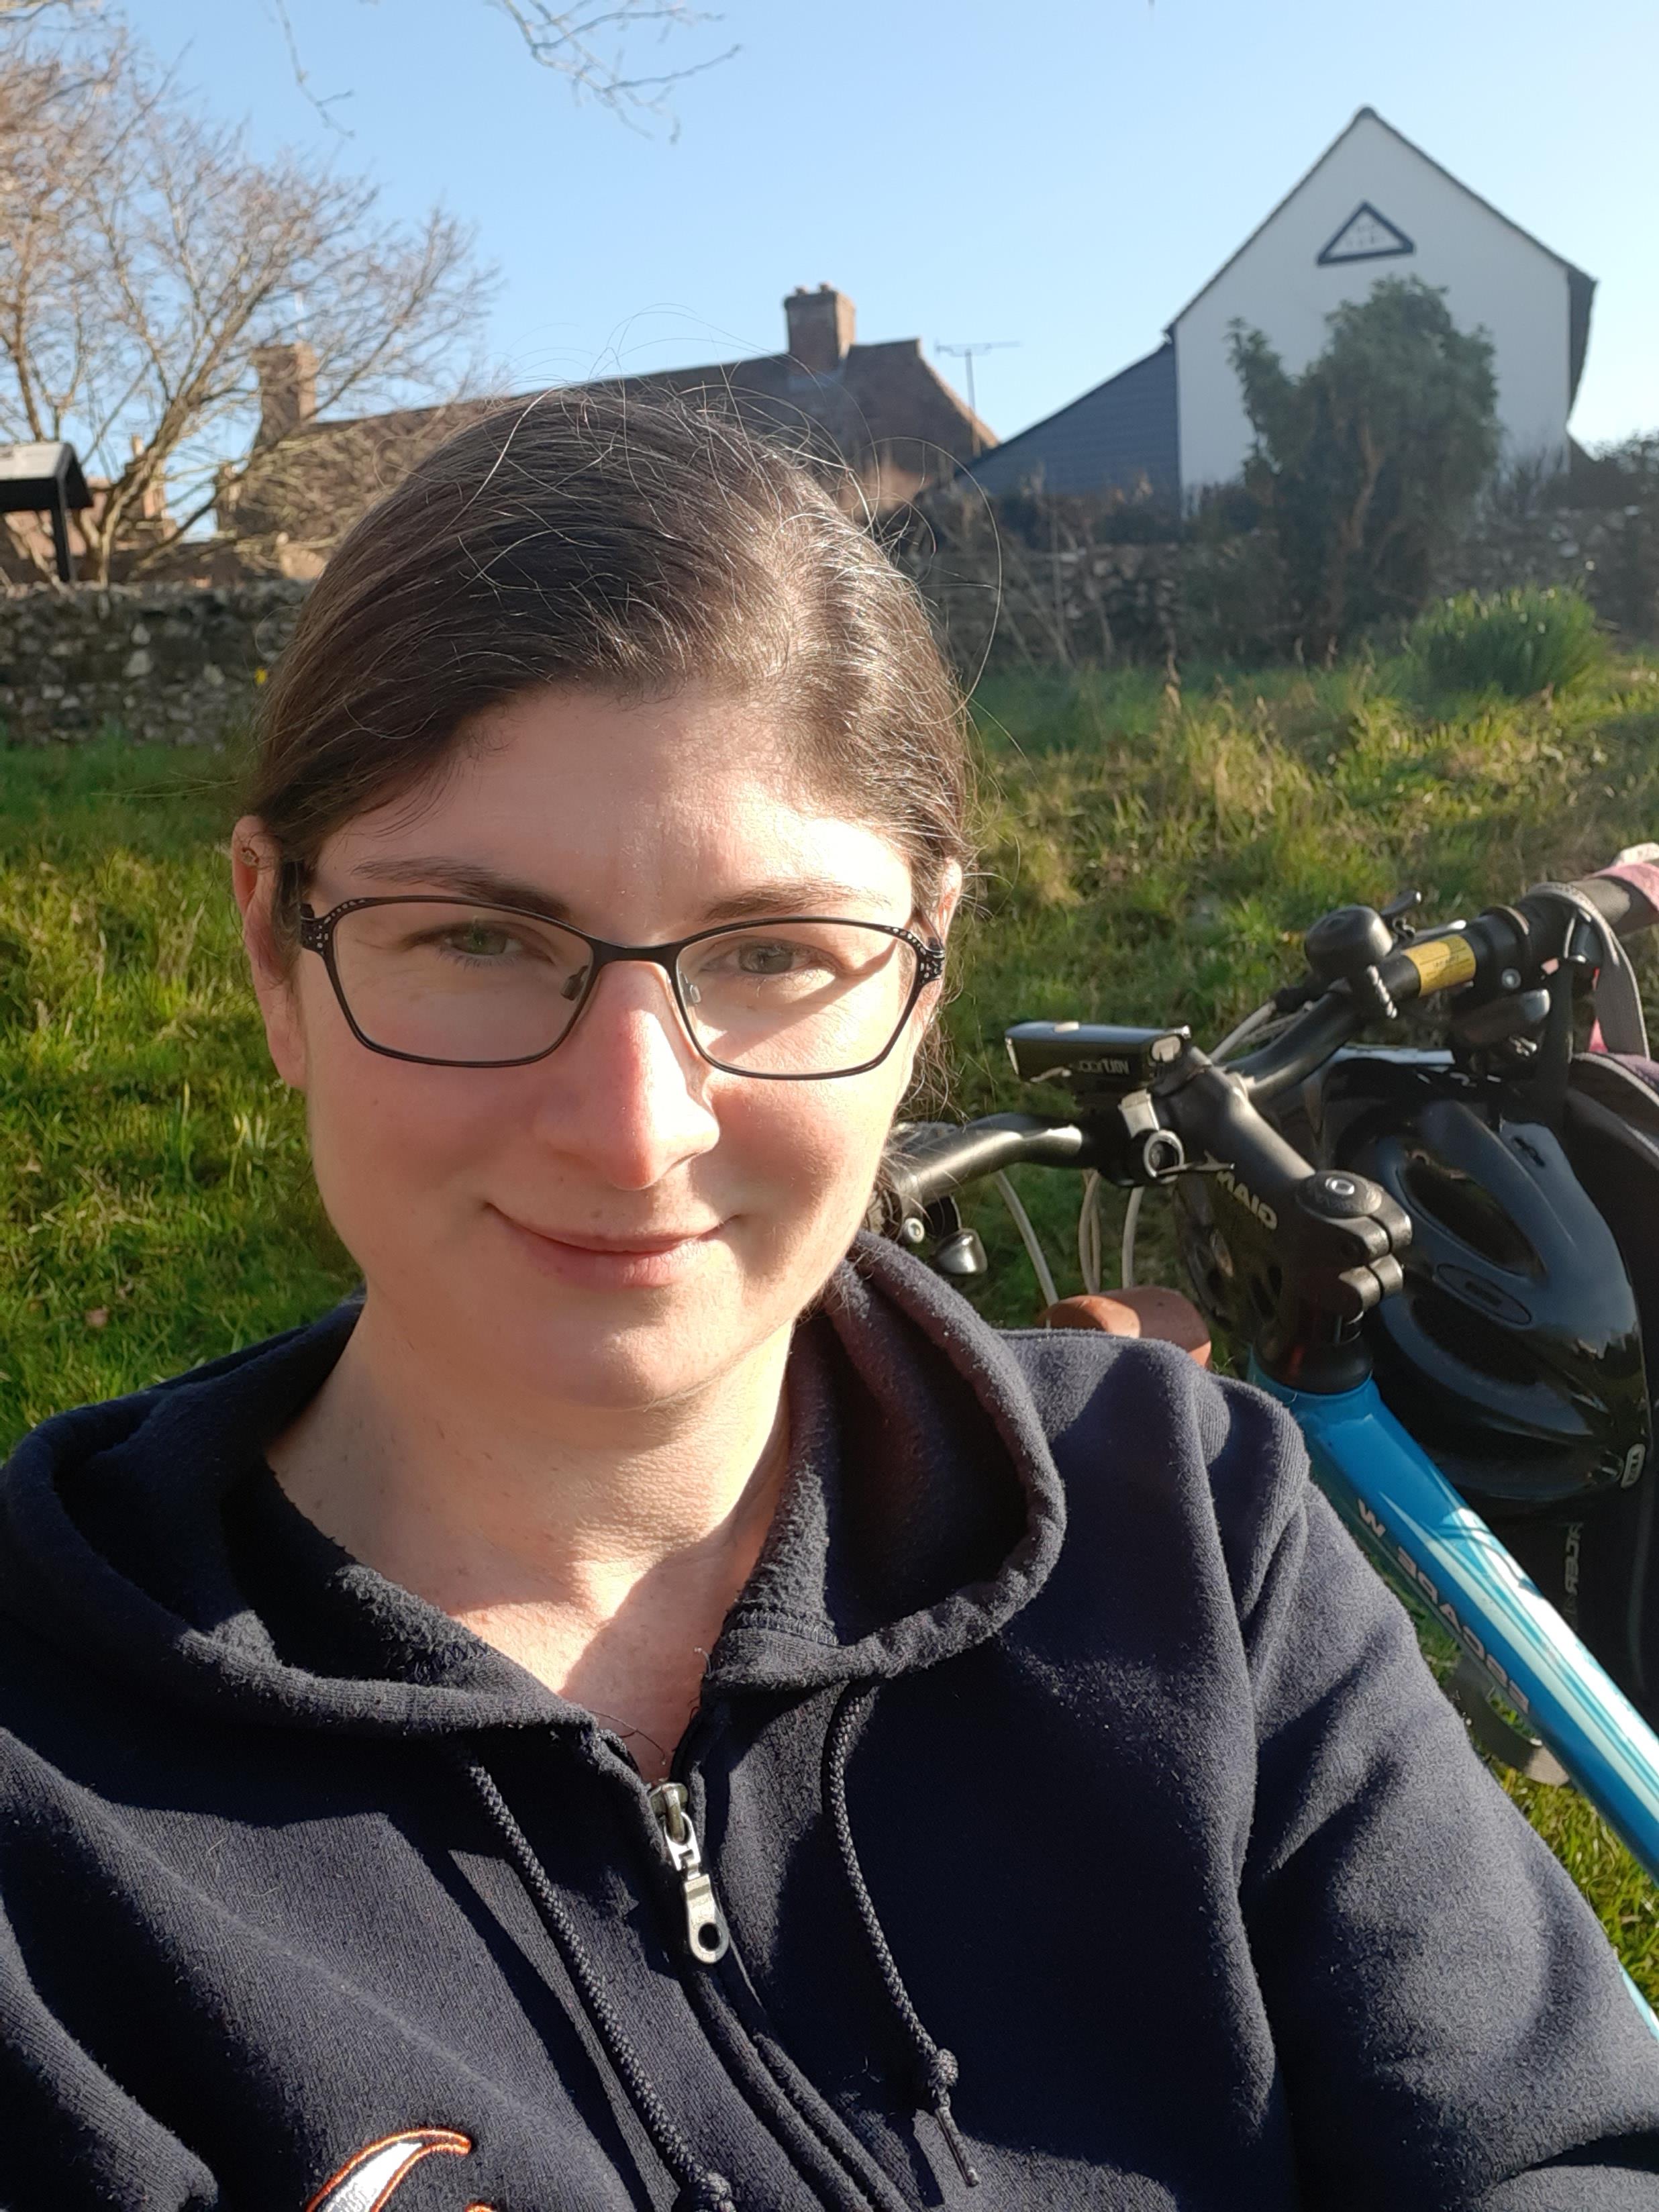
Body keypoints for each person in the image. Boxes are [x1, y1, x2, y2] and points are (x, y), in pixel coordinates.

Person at [3, 392, 1658, 2212]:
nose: (635, 1128)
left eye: (778, 952)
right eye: (478, 937)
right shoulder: (42, 1810)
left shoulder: (1190, 1522)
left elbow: (1560, 2157)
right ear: (277, 949)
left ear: (924, 970)